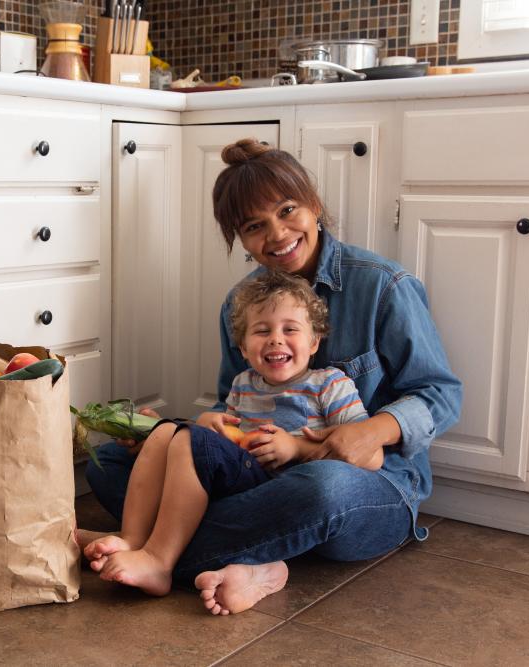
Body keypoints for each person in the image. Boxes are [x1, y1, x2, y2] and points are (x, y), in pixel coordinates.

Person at [84, 138, 462, 615]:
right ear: (240, 239)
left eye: (287, 211)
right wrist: (202, 430)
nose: (278, 234)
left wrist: (370, 432)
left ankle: (143, 548)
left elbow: (440, 394)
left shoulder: (383, 286)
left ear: (314, 205)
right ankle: (256, 565)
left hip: (373, 485)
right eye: (254, 226)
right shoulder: (239, 304)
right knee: (111, 461)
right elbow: (232, 403)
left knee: (324, 487)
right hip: (261, 478)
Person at [81, 271, 375, 599]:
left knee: (191, 441)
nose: (276, 339)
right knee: (166, 431)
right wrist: (208, 421)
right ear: (244, 348)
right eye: (262, 331)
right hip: (239, 488)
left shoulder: (330, 384)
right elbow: (226, 441)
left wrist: (295, 447)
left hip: (286, 494)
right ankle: (132, 538)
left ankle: (159, 559)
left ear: (314, 341)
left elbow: (369, 456)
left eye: (290, 329)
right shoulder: (243, 384)